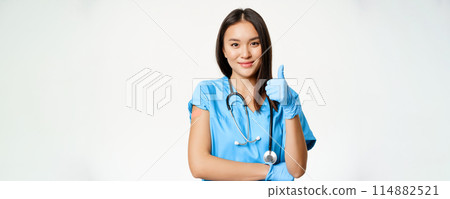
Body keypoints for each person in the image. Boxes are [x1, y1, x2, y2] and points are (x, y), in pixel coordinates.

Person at [187, 8, 316, 181]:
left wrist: (290, 110)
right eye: (235, 45)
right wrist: (269, 172)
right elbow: (199, 165)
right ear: (223, 50)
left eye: (254, 43)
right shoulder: (206, 94)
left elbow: (297, 169)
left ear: (265, 47)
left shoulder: (285, 98)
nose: (246, 54)